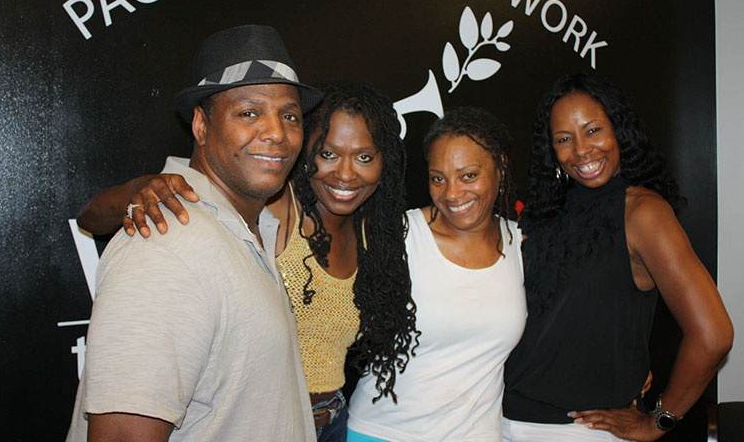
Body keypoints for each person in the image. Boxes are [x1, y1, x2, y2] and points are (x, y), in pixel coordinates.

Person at [76, 81, 419, 442]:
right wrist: (136, 190)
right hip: (259, 423)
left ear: (384, 163)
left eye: (364, 157)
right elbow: (90, 217)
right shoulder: (274, 205)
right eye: (328, 154)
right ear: (306, 151)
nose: (345, 174)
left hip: (331, 421)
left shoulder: (373, 234)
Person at [66, 25, 322, 441]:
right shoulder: (166, 247)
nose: (277, 132)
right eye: (249, 112)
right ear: (201, 126)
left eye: (290, 115)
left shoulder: (247, 228)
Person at [502, 73, 733, 441]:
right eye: (564, 139)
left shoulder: (644, 213)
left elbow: (713, 336)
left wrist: (658, 422)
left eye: (593, 130)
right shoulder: (543, 213)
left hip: (580, 430)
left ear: (619, 130)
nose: (581, 150)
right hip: (499, 418)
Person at [347, 107, 528, 442]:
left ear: (500, 169)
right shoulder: (399, 236)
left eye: (468, 176)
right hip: (382, 431)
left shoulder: (521, 243)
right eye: (438, 178)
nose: (452, 193)